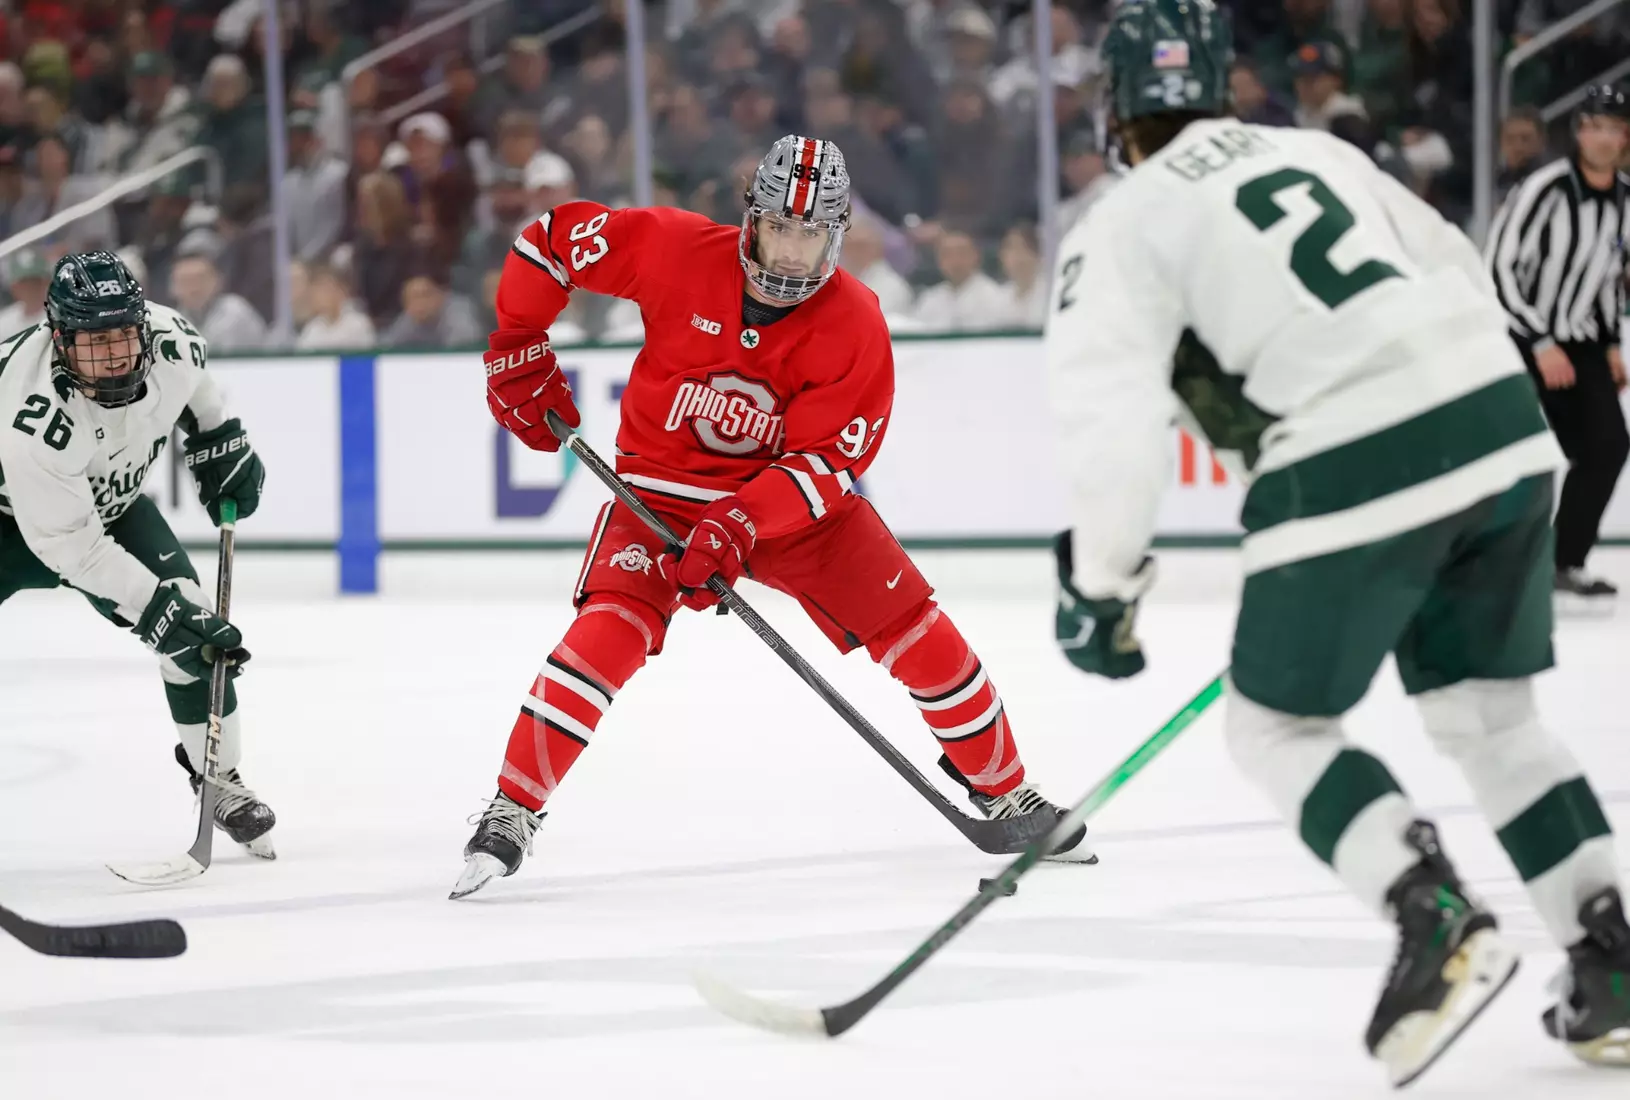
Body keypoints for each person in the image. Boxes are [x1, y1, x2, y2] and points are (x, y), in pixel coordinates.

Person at [1044, 0, 1627, 1085]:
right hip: (1500, 425)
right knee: (1490, 716)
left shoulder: (1116, 230)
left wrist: (1101, 586)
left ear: (1114, 106)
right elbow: (1455, 263)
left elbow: (1111, 430)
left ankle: (1431, 912)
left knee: (1275, 724)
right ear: (1218, 83)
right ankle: (1614, 954)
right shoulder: (1312, 150)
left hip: (1350, 452)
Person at [453, 134, 1097, 899]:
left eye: (811, 234)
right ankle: (512, 808)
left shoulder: (855, 321)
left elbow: (827, 463)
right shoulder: (674, 249)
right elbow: (551, 241)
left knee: (921, 634)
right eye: (780, 228)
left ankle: (1006, 790)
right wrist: (518, 340)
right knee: (605, 635)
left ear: (838, 234)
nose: (792, 251)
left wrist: (740, 522)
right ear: (751, 218)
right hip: (661, 495)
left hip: (792, 514)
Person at [0, 252, 275, 855]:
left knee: (195, 627)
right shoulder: (32, 418)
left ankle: (218, 777)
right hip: (12, 525)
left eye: (124, 334)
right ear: (59, 339)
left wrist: (216, 436)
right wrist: (155, 612)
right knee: (174, 619)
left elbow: (196, 387)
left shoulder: (172, 339)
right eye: (96, 342)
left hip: (110, 509)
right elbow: (73, 548)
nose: (116, 355)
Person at [1486, 84, 1630, 608]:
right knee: (1512, 458)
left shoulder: (1625, 199)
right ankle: (1484, 572)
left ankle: (1564, 563)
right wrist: (1540, 342)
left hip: (1581, 342)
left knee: (1607, 447)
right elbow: (1498, 268)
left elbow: (1608, 278)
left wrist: (1611, 344)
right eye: (1592, 126)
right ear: (1578, 133)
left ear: (1624, 137)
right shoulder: (1543, 189)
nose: (1601, 137)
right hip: (1521, 336)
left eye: (1612, 128)